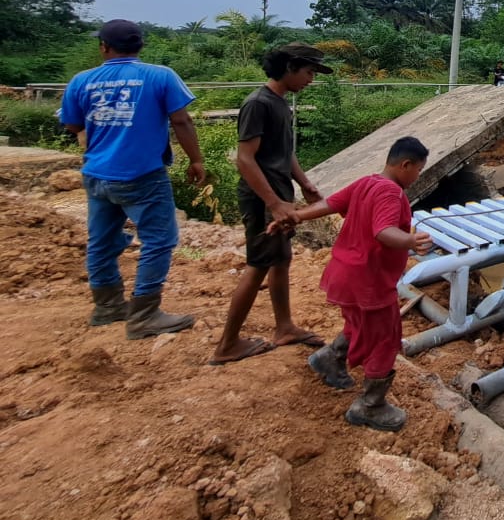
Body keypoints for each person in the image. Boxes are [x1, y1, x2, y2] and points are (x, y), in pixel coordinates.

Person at [271, 137, 432, 432]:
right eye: (418, 170)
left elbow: (330, 204)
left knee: (358, 323)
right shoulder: (391, 193)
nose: (417, 176)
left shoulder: (367, 182)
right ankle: (371, 406)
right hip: (367, 281)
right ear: (405, 165)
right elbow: (383, 231)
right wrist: (410, 240)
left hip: (344, 275)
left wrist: (295, 216)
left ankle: (329, 359)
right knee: (385, 337)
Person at [60, 19, 206, 338]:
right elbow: (180, 120)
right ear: (140, 46)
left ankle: (108, 306)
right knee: (159, 239)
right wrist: (195, 159)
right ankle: (144, 315)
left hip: (97, 174)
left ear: (103, 47)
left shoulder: (81, 81)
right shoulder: (160, 76)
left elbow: (72, 125)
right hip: (142, 174)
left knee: (100, 240)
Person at [209, 42, 332, 365]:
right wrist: (274, 203)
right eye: (308, 72)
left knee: (281, 260)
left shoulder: (280, 104)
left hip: (279, 193)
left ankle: (285, 327)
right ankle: (227, 344)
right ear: (290, 68)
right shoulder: (258, 104)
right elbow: (245, 160)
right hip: (264, 198)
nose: (311, 80)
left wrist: (304, 184)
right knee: (258, 264)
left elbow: (284, 151)